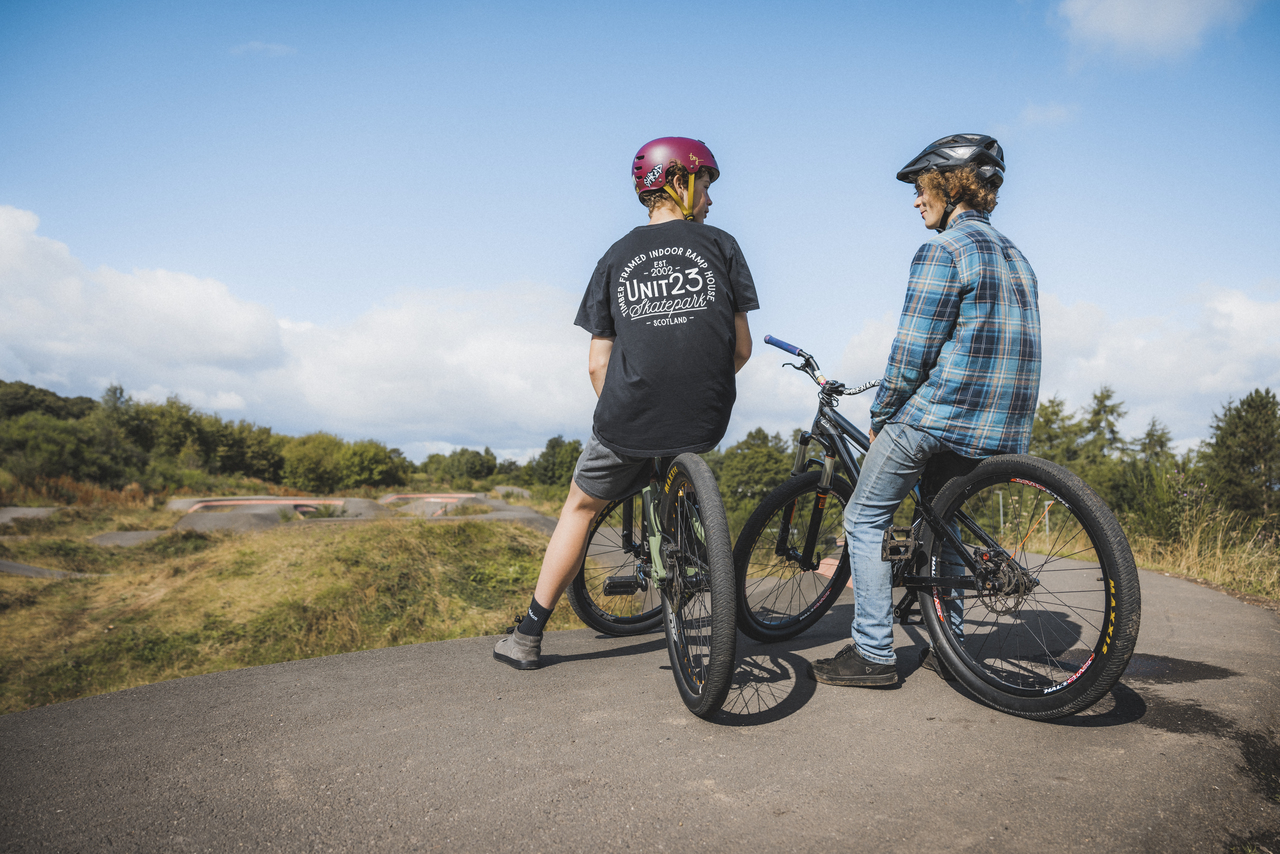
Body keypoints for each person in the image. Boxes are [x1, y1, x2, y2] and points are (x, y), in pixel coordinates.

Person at [494, 136, 758, 670]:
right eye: (705, 182)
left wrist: (624, 408)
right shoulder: (722, 245)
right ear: (680, 182)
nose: (710, 197)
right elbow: (742, 349)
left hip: (629, 415)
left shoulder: (615, 255)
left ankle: (526, 636)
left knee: (581, 507)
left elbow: (597, 363)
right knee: (677, 452)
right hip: (706, 415)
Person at [810, 134, 1042, 687]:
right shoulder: (1018, 257)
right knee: (945, 527)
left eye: (921, 188)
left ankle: (872, 653)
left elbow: (912, 352)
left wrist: (883, 409)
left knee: (864, 517)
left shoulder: (943, 251)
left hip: (937, 416)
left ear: (948, 184)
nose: (916, 200)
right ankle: (948, 646)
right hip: (1000, 425)